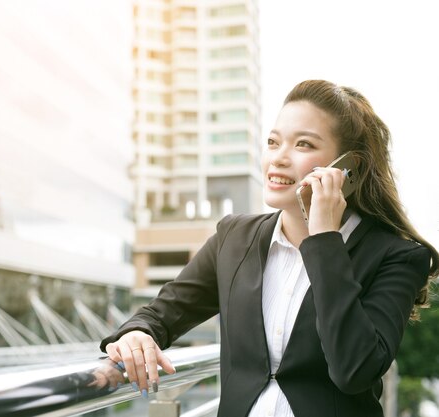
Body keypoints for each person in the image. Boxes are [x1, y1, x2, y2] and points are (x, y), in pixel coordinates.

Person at [100, 80, 439, 417]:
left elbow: (355, 370)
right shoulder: (233, 237)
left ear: (349, 169)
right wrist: (137, 334)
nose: (279, 158)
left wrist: (324, 241)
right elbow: (161, 314)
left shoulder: (397, 256)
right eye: (273, 142)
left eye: (303, 145)